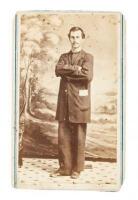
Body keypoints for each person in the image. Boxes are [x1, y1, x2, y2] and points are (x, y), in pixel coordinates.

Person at [51, 27, 93, 179]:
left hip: (80, 103)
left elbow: (87, 76)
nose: (75, 40)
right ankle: (65, 168)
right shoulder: (63, 56)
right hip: (64, 103)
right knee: (63, 137)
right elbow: (58, 69)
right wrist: (76, 69)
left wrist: (67, 73)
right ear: (69, 38)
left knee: (79, 137)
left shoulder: (88, 57)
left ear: (82, 38)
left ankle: (77, 169)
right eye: (72, 37)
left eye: (77, 37)